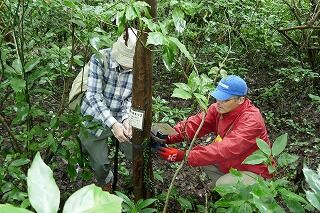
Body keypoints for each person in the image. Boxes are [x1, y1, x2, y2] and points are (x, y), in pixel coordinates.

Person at [152, 75, 273, 186]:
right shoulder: (218, 109)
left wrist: (184, 156)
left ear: (240, 100)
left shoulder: (252, 121)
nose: (218, 103)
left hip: (255, 171)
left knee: (223, 184)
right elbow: (194, 125)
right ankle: (226, 188)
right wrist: (167, 135)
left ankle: (243, 196)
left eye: (225, 100)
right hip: (234, 162)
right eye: (218, 98)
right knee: (205, 161)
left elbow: (225, 149)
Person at [79, 28, 137, 191]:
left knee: (136, 150)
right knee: (100, 164)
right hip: (94, 117)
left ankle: (138, 183)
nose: (127, 67)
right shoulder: (100, 59)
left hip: (120, 115)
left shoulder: (139, 66)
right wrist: (113, 124)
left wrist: (126, 119)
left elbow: (129, 97)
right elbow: (94, 95)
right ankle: (106, 187)